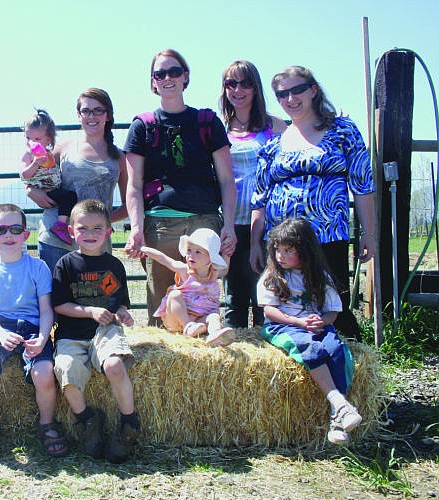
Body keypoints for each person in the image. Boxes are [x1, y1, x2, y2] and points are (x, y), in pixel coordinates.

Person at [250, 65, 376, 340]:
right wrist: (255, 244)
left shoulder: (343, 130)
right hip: (282, 242)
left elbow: (363, 185)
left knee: (334, 305)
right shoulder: (274, 145)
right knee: (286, 304)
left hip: (328, 235)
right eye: (282, 94)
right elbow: (259, 198)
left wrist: (369, 233)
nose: (290, 99)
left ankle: (348, 370)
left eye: (297, 90)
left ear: (314, 90)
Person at [124, 48, 237, 326]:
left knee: (204, 304)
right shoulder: (142, 126)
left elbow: (226, 179)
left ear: (185, 76)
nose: (167, 78)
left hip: (205, 224)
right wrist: (137, 228)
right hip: (160, 226)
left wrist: (229, 225)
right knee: (164, 311)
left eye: (174, 71)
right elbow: (134, 186)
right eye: (159, 74)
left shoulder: (207, 122)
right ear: (152, 82)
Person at [0, 204, 68, 466]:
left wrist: (44, 338)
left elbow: (47, 310)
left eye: (15, 229)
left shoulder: (38, 268)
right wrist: (1, 334)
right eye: (0, 230)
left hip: (33, 328)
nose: (8, 235)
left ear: (26, 235)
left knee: (44, 372)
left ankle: (46, 424)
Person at [257, 218, 361, 445]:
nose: (280, 256)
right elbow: (270, 312)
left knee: (336, 350)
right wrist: (299, 322)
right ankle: (340, 404)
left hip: (315, 325)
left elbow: (332, 311)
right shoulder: (272, 277)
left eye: (288, 250)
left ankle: (338, 418)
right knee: (311, 348)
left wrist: (321, 322)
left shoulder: (320, 276)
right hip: (284, 326)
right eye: (277, 249)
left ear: (305, 250)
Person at [52, 199, 139, 464]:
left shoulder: (114, 266)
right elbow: (59, 305)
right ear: (71, 231)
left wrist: (122, 312)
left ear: (109, 232)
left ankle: (129, 424)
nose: (90, 234)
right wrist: (89, 311)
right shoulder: (66, 265)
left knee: (114, 365)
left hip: (105, 330)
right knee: (66, 372)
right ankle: (87, 420)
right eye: (83, 228)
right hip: (71, 333)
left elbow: (118, 301)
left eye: (97, 228)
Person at [26, 88, 128, 272]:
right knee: (55, 300)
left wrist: (97, 224)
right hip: (56, 240)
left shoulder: (119, 157)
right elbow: (35, 174)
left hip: (96, 245)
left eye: (98, 110)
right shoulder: (62, 147)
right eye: (86, 110)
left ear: (108, 115)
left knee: (97, 300)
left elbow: (129, 205)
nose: (92, 116)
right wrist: (31, 190)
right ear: (78, 115)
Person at [220, 60, 287, 329]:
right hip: (234, 222)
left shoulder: (276, 126)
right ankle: (235, 354)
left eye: (246, 83)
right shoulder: (221, 129)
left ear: (256, 88)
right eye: (231, 83)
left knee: (266, 293)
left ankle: (267, 348)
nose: (238, 89)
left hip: (268, 222)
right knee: (234, 295)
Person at [140, 228, 235, 346]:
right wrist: (144, 249)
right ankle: (188, 327)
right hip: (177, 320)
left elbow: (225, 269)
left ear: (211, 258)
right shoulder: (185, 271)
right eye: (189, 250)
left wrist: (227, 254)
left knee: (214, 316)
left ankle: (215, 335)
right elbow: (164, 259)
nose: (191, 255)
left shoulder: (214, 273)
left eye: (198, 252)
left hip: (200, 319)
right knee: (174, 295)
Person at [20, 109, 77, 245]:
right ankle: (61, 225)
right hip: (43, 190)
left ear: (48, 139)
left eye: (37, 139)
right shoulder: (28, 156)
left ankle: (63, 223)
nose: (31, 143)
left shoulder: (51, 154)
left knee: (69, 198)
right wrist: (34, 163)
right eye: (28, 138)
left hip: (53, 188)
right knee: (69, 197)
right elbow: (24, 175)